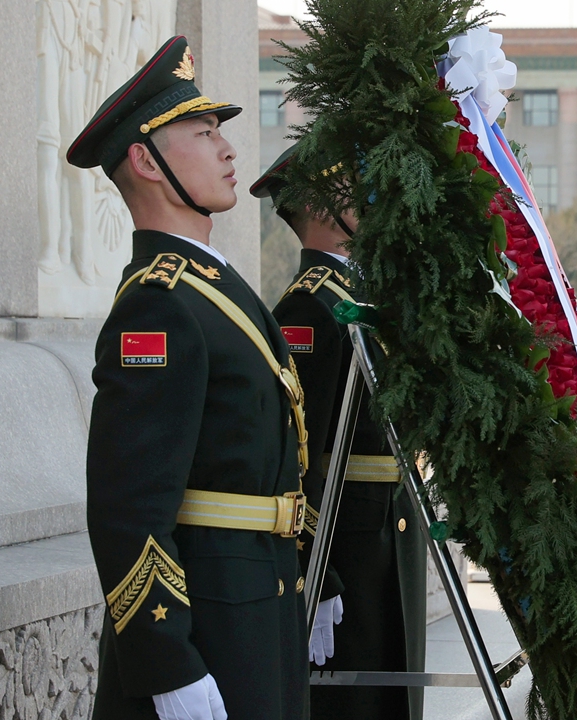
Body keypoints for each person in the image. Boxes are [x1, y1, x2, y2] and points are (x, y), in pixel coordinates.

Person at [70, 37, 309, 720]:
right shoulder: (161, 302)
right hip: (211, 625)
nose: (228, 149)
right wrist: (164, 661)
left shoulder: (212, 290)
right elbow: (127, 507)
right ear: (145, 160)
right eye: (203, 133)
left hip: (259, 607)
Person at [252, 147, 428, 720]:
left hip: (384, 530)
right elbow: (293, 453)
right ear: (320, 206)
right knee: (351, 704)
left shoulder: (360, 297)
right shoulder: (308, 306)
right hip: (345, 544)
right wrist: (313, 567)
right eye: (355, 189)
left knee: (390, 695)